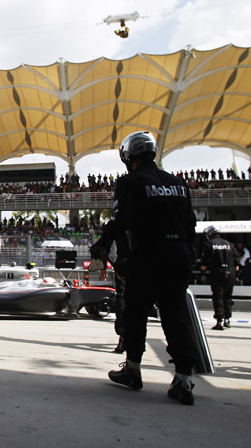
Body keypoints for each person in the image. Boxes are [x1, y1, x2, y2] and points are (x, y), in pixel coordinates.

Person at [90, 131, 198, 405]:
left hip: (148, 257)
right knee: (176, 317)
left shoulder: (130, 182)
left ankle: (133, 370)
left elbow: (120, 219)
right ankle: (184, 380)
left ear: (128, 156)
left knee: (135, 313)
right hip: (179, 256)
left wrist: (101, 244)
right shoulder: (179, 184)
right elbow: (190, 225)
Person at [200, 225, 237, 330]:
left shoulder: (208, 244)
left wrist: (203, 274)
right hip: (230, 273)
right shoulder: (229, 244)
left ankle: (219, 321)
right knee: (228, 296)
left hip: (217, 273)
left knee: (218, 296)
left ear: (209, 235)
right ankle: (227, 320)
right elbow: (237, 261)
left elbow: (204, 263)